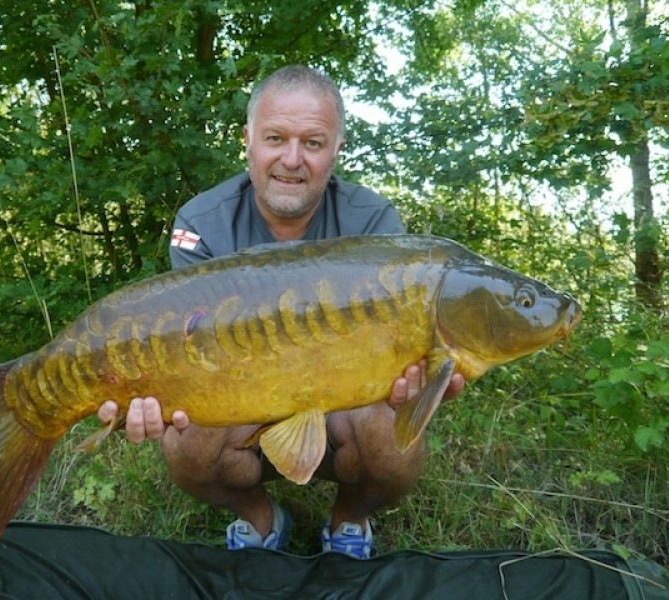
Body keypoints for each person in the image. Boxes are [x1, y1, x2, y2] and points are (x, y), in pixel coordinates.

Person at [98, 65, 465, 558]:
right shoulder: (202, 224)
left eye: (313, 143)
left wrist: (422, 383)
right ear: (247, 140)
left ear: (336, 150)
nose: (291, 160)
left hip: (342, 407)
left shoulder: (375, 224)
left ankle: (348, 519)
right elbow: (185, 352)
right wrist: (147, 388)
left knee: (393, 435)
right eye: (275, 138)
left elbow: (404, 355)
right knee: (184, 444)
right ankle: (262, 519)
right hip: (240, 401)